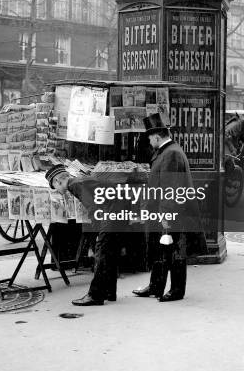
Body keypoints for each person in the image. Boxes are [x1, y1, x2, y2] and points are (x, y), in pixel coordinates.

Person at [133, 113, 206, 302]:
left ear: (157, 136)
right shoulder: (168, 151)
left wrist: (165, 216)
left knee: (174, 252)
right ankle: (156, 286)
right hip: (165, 212)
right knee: (161, 250)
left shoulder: (171, 153)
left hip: (172, 213)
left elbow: (170, 189)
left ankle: (176, 291)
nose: (149, 141)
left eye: (150, 137)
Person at [46, 164, 140, 306]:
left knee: (102, 252)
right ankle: (109, 292)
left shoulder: (75, 184)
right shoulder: (78, 181)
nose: (58, 191)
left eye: (55, 187)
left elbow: (93, 208)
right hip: (120, 209)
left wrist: (96, 235)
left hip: (112, 212)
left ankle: (95, 295)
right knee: (111, 253)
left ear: (58, 181)